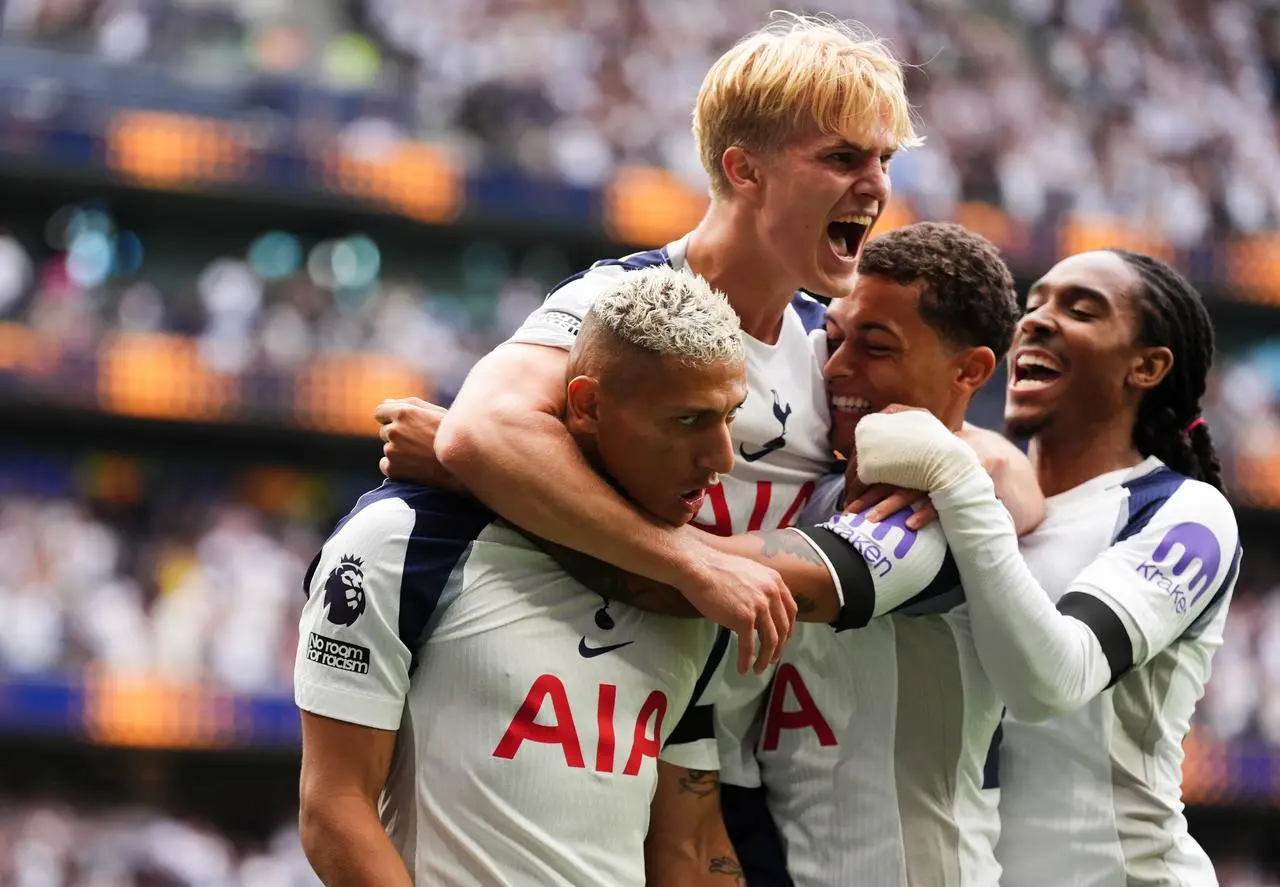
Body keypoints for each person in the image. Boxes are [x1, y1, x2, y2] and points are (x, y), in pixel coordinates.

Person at [376, 12, 922, 676]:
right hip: (570, 694)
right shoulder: (619, 301)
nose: (878, 184)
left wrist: (476, 480)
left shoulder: (829, 347)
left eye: (884, 160)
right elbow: (483, 430)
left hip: (720, 728)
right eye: (842, 158)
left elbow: (975, 455)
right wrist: (690, 562)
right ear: (745, 171)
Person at [531, 222, 1034, 886]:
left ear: (969, 371)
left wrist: (506, 475)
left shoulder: (935, 516)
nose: (836, 369)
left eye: (876, 348)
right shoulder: (824, 482)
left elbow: (681, 581)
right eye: (834, 339)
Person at [294, 267, 753, 887]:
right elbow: (334, 810)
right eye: (687, 421)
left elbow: (690, 846)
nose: (722, 456)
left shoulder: (692, 592)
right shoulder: (403, 540)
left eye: (729, 416)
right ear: (588, 405)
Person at [853, 248, 1241, 886]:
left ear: (1146, 366)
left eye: (1081, 310)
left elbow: (1052, 683)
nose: (1034, 321)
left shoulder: (1186, 513)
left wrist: (959, 486)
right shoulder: (979, 484)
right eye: (1032, 306)